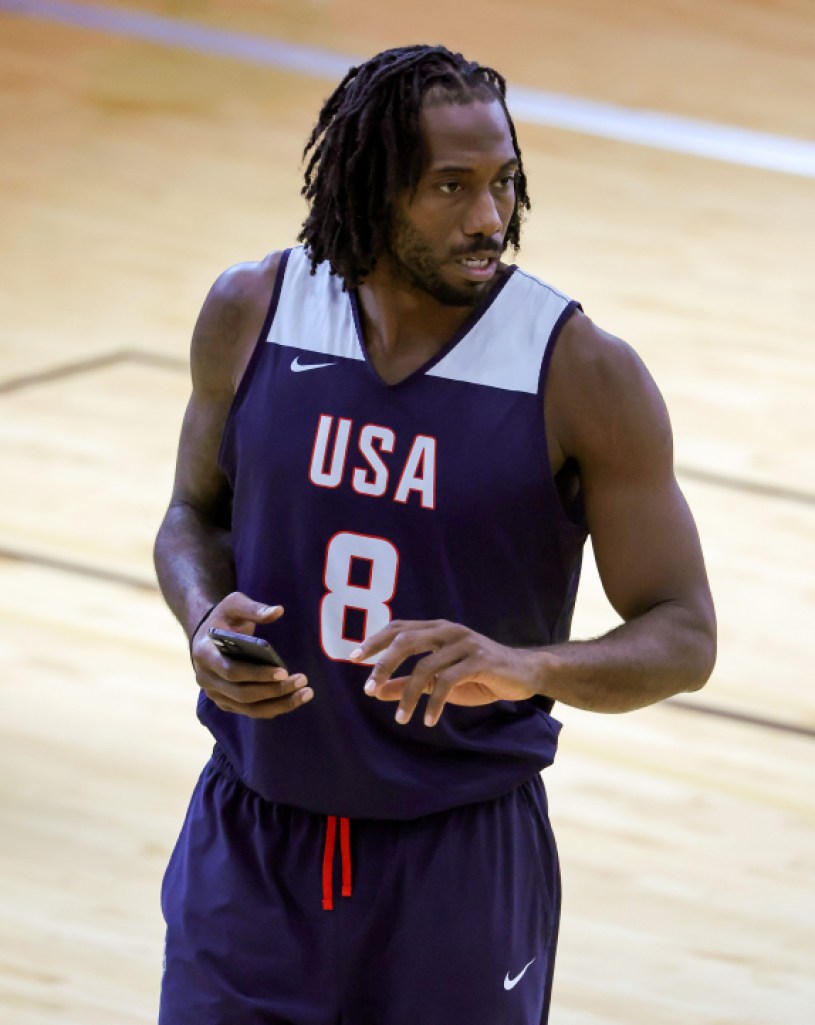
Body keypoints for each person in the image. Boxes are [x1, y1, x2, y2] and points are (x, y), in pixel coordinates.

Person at [153, 44, 716, 1025]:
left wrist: (524, 661)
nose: (488, 219)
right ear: (371, 188)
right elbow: (188, 518)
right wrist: (202, 617)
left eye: (502, 182)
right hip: (249, 844)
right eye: (448, 187)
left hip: (454, 863)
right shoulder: (252, 311)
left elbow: (682, 633)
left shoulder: (579, 371)